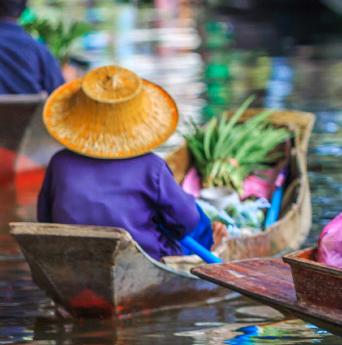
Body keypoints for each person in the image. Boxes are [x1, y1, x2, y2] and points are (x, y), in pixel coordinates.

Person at [37, 65, 225, 261]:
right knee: (196, 219)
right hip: (146, 255)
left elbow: (45, 218)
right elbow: (187, 219)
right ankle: (211, 244)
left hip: (73, 255)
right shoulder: (152, 167)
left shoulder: (60, 163)